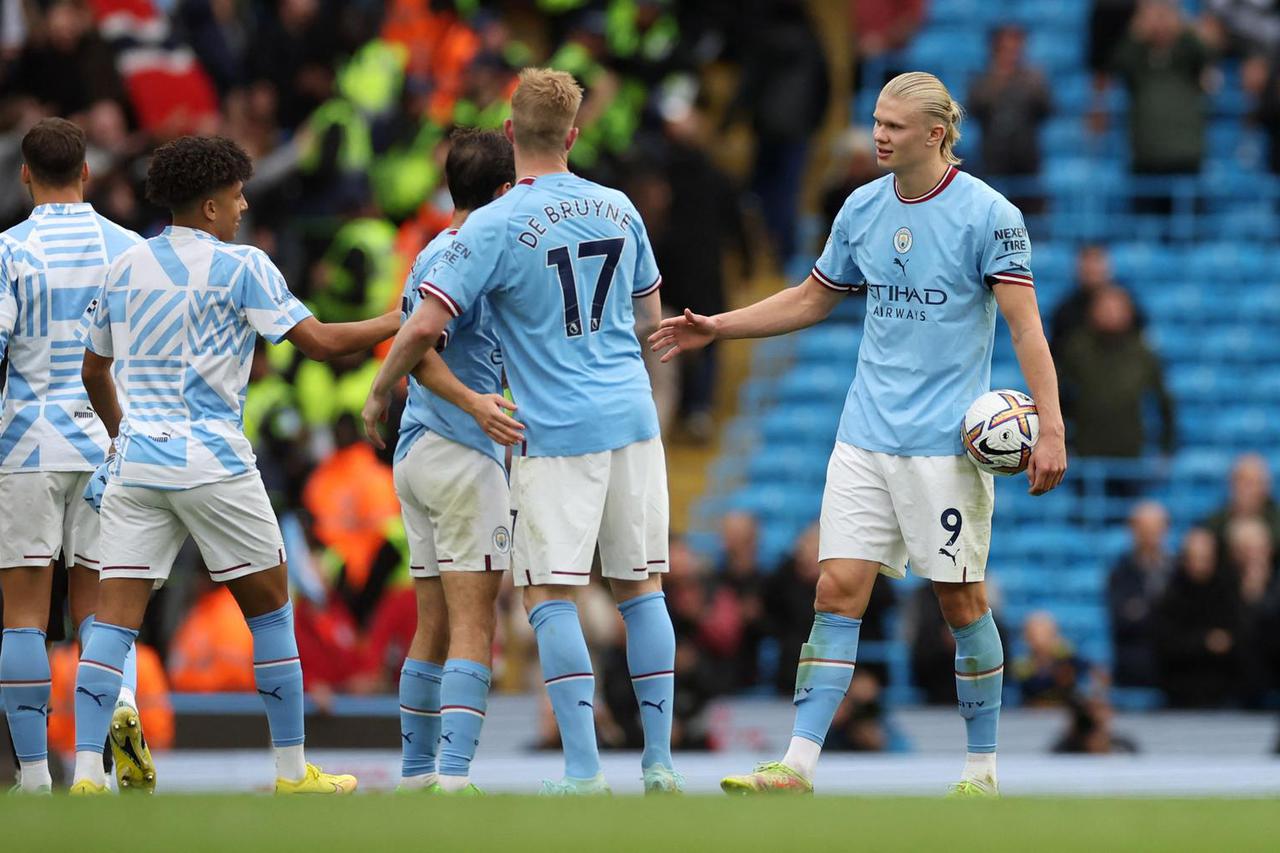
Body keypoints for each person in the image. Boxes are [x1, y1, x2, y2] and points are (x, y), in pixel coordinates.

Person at [651, 71, 1067, 797]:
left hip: (944, 447)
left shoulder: (990, 216)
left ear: (935, 134)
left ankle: (982, 769)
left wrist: (1052, 426)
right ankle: (798, 763)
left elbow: (1026, 327)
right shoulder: (861, 207)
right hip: (864, 435)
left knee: (959, 602)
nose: (877, 134)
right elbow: (813, 297)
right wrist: (719, 326)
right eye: (875, 120)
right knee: (837, 589)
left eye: (893, 125)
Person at [363, 68, 681, 795]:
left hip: (556, 425)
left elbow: (424, 326)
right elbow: (651, 321)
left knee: (548, 596)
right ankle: (659, 762)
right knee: (643, 590)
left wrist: (382, 390)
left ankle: (583, 770)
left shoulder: (496, 224)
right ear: (574, 135)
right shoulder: (621, 207)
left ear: (511, 134)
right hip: (631, 415)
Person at [70, 134, 400, 795]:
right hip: (214, 460)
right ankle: (290, 772)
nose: (246, 204)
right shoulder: (243, 266)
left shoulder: (125, 267)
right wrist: (403, 317)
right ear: (213, 205)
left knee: (111, 621)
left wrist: (119, 438)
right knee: (273, 610)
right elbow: (323, 343)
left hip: (137, 462)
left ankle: (84, 773)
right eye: (239, 194)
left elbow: (94, 371)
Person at [367, 128, 521, 794]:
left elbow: (411, 333)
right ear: (505, 193)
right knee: (473, 623)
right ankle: (455, 779)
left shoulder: (427, 251)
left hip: (416, 453)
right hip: (464, 451)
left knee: (431, 622)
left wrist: (381, 394)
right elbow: (424, 343)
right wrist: (476, 403)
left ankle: (415, 776)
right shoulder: (488, 253)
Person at [0, 117, 145, 795]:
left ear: (25, 174)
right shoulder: (124, 247)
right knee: (102, 610)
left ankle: (33, 778)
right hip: (104, 439)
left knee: (23, 615)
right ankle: (109, 740)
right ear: (87, 172)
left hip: (24, 445)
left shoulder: (8, 251)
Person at [1154, 528, 1244, 708]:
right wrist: (1205, 642)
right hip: (1179, 686)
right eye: (1194, 558)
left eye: (1205, 558)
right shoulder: (1171, 594)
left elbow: (1241, 634)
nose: (1199, 565)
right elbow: (1166, 642)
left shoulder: (1228, 591)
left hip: (1225, 687)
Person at [1107, 501, 1174, 687]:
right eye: (1145, 529)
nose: (1150, 536)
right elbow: (1122, 619)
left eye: (1155, 529)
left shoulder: (1177, 569)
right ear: (1133, 531)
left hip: (1174, 665)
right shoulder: (1120, 572)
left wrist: (1143, 609)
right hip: (1134, 665)